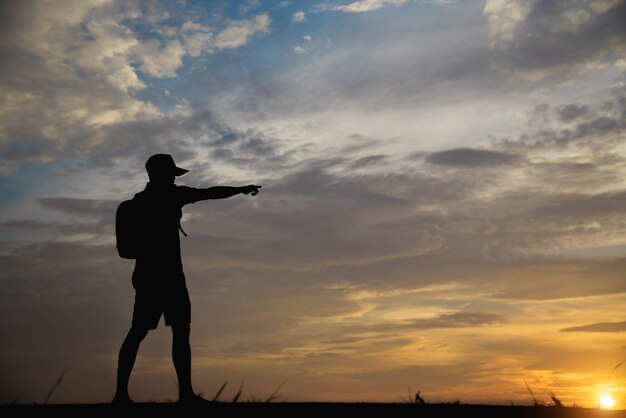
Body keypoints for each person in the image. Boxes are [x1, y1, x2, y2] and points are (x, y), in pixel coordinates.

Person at [112, 153, 261, 405]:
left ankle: (182, 394)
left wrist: (240, 189)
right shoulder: (145, 203)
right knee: (143, 332)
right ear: (158, 175)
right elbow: (125, 250)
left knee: (176, 330)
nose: (173, 178)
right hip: (156, 277)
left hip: (167, 276)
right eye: (170, 174)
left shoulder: (149, 202)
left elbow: (211, 192)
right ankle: (124, 396)